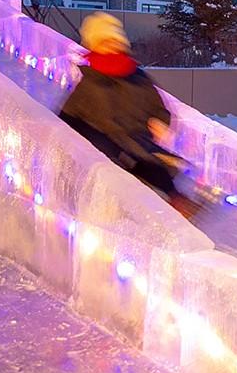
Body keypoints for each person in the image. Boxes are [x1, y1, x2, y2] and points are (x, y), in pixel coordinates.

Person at [57, 12, 199, 219]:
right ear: (95, 45)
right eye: (105, 42)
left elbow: (158, 107)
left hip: (139, 139)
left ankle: (177, 202)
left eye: (115, 41)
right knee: (124, 161)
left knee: (150, 163)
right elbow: (68, 117)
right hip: (107, 145)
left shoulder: (138, 77)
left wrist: (161, 122)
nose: (111, 46)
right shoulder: (90, 82)